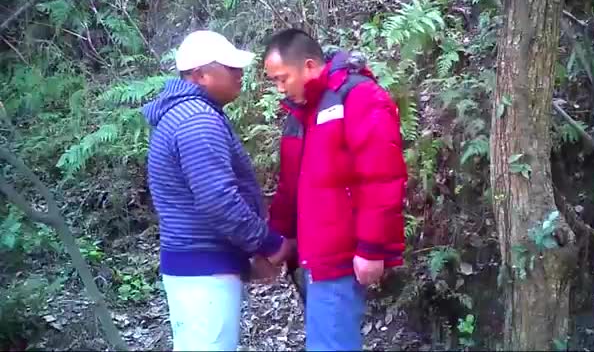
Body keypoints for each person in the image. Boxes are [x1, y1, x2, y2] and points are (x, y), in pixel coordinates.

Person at [142, 30, 294, 351]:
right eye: (230, 67)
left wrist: (249, 252)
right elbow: (219, 200)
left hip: (196, 265)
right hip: (203, 268)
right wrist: (268, 243)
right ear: (200, 75)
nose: (239, 74)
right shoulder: (197, 121)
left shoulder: (185, 114)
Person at [263, 28, 408, 351]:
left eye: (282, 79)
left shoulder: (358, 97)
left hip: (340, 256)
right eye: (274, 81)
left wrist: (372, 248)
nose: (279, 89)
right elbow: (290, 186)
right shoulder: (300, 113)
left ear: (309, 66)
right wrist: (280, 237)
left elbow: (381, 176)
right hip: (312, 255)